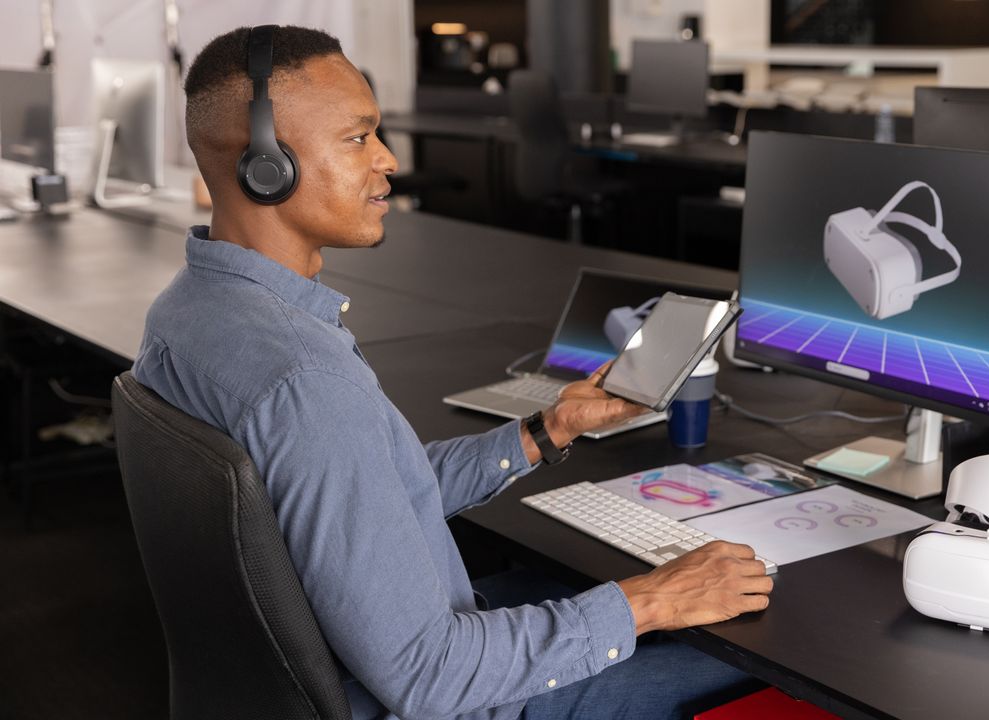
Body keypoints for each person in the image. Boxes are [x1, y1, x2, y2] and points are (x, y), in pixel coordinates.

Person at [133, 25, 773, 720]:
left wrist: (542, 431)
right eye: (357, 138)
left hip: (296, 676)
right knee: (754, 661)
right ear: (266, 164)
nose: (387, 160)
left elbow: (355, 499)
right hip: (444, 693)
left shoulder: (188, 311)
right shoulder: (305, 381)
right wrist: (652, 601)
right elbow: (428, 676)